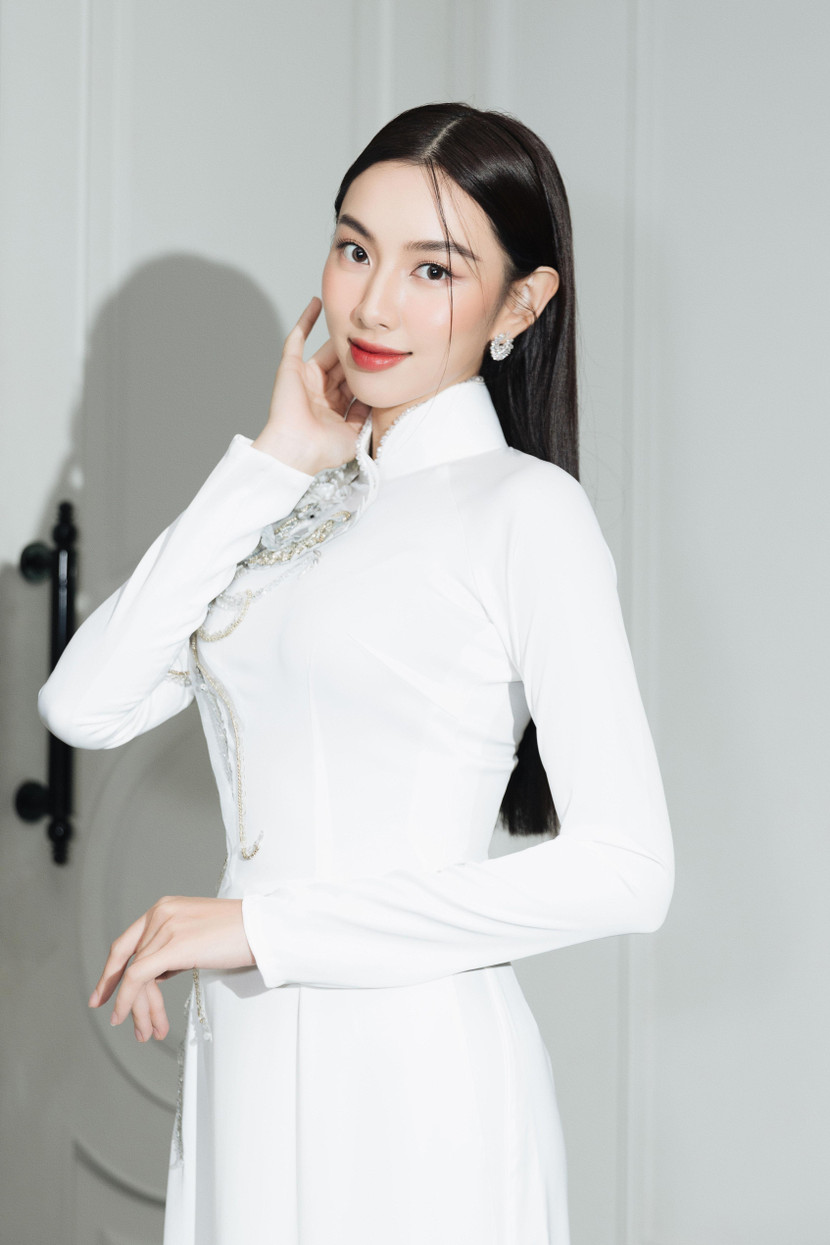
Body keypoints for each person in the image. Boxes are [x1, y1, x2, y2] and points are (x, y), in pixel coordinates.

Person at [38, 101, 674, 1245]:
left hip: (411, 1079)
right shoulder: (300, 507)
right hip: (245, 1057)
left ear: (518, 305)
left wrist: (260, 928)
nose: (372, 305)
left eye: (433, 269)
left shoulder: (524, 511)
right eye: (352, 249)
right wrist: (274, 460)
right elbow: (84, 704)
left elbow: (628, 872)